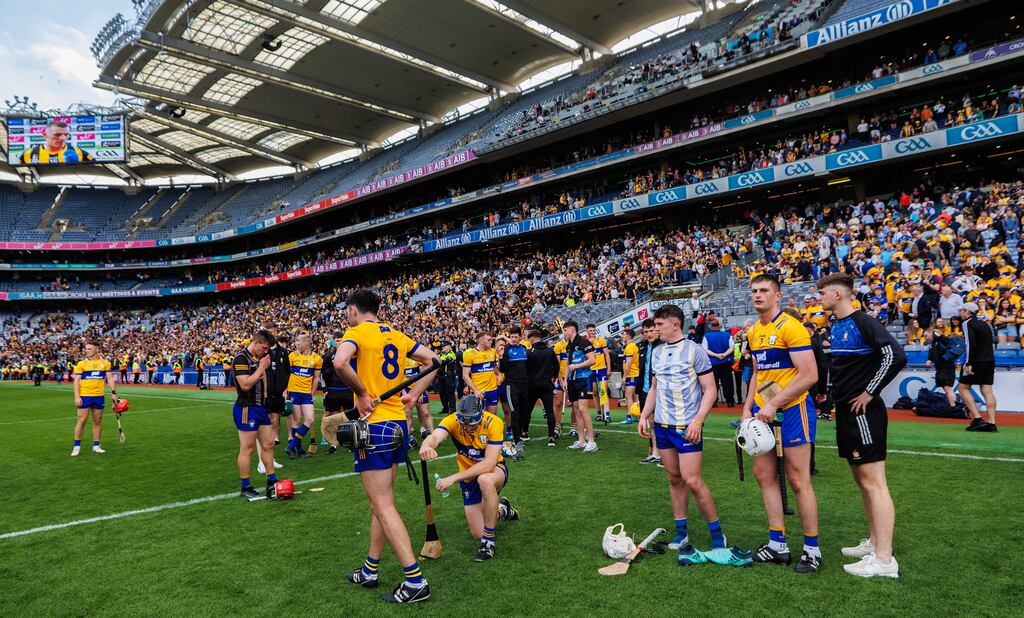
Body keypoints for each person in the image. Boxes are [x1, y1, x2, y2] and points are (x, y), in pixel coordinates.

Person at [334, 289, 439, 604]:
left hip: (374, 428)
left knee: (382, 505)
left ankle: (415, 581)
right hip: (397, 426)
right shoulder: (396, 334)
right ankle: (370, 569)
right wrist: (415, 394)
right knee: (379, 503)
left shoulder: (355, 333)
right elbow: (433, 362)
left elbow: (340, 363)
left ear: (354, 310)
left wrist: (362, 393)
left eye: (346, 311)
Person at [638, 304, 750, 565]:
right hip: (663, 427)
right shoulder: (656, 352)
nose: (656, 330)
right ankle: (681, 533)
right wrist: (645, 415)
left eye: (660, 325)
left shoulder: (695, 350)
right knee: (675, 478)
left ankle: (717, 536)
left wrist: (698, 420)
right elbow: (655, 387)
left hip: (687, 427)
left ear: (675, 325)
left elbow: (709, 389)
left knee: (693, 480)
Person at [816, 274, 906, 577]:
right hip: (846, 412)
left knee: (874, 482)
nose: (819, 298)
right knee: (861, 480)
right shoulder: (837, 326)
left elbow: (896, 355)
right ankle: (875, 543)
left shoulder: (863, 321)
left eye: (822, 293)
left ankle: (884, 560)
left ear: (839, 294)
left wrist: (870, 391)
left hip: (864, 414)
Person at [743, 274, 822, 573]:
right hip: (763, 413)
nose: (758, 295)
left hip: (792, 410)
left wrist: (775, 403)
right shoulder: (753, 332)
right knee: (763, 475)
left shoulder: (792, 327)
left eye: (764, 291)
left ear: (777, 295)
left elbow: (809, 375)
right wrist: (747, 409)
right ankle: (778, 544)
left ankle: (812, 550)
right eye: (754, 291)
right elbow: (758, 373)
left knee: (799, 480)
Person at [419, 395, 519, 562]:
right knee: (478, 532)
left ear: (480, 415)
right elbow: (435, 436)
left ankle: (488, 544)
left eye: (471, 422)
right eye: (463, 422)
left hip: (494, 471)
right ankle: (503, 508)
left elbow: (488, 464)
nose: (466, 426)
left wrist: (452, 478)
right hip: (468, 477)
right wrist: (426, 445)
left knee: (485, 480)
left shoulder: (494, 422)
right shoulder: (452, 420)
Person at [232, 330, 282, 500]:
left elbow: (263, 379)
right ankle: (245, 486)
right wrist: (261, 367)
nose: (266, 351)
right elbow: (245, 385)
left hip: (260, 408)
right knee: (248, 448)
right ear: (256, 342)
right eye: (264, 348)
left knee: (269, 444)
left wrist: (266, 397)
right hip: (246, 408)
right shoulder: (241, 358)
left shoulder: (258, 359)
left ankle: (272, 480)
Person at [71, 341, 119, 456]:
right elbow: (76, 381)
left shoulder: (105, 363)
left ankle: (96, 445)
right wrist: (77, 396)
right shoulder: (81, 364)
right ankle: (76, 446)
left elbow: (110, 379)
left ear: (96, 350)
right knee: (82, 420)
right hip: (84, 396)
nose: (86, 351)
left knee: (97, 421)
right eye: (86, 349)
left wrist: (113, 393)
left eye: (89, 349)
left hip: (98, 396)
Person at [959, 302, 998, 432]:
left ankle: (977, 418)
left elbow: (970, 344)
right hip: (989, 360)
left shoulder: (967, 323)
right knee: (987, 390)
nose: (960, 312)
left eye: (962, 310)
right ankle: (992, 423)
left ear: (967, 312)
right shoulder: (984, 324)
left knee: (963, 387)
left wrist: (969, 363)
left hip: (976, 360)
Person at [285, 334, 322, 459]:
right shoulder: (292, 356)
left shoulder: (317, 358)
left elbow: (316, 378)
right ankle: (299, 450)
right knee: (296, 420)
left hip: (306, 393)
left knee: (310, 419)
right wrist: (286, 391)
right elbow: (286, 374)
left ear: (307, 343)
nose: (297, 345)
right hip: (294, 392)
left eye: (298, 342)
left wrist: (312, 393)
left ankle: (291, 446)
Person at [563, 320, 597, 452]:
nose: (564, 333)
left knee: (583, 409)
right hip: (572, 380)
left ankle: (592, 441)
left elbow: (592, 360)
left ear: (572, 330)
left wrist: (576, 366)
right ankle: (581, 440)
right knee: (576, 408)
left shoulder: (584, 343)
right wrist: (565, 380)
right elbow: (567, 364)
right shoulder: (568, 345)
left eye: (565, 330)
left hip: (584, 378)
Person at [524, 329, 559, 446]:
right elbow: (557, 366)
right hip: (546, 384)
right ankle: (551, 437)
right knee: (549, 411)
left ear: (532, 339)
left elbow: (525, 369)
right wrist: (554, 378)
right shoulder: (550, 351)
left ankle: (525, 433)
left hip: (532, 385)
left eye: (529, 340)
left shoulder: (529, 352)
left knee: (527, 410)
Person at [635, 318, 663, 464]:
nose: (649, 334)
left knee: (662, 422)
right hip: (645, 389)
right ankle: (655, 452)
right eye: (646, 332)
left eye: (651, 330)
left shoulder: (664, 346)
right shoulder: (642, 346)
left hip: (661, 390)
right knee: (651, 422)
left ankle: (664, 453)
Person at [321, 334, 353, 455]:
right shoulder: (328, 356)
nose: (339, 342)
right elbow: (324, 373)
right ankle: (333, 444)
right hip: (334, 390)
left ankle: (350, 442)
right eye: (337, 340)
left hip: (346, 389)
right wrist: (326, 389)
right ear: (333, 342)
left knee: (349, 416)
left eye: (341, 340)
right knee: (334, 417)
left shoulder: (350, 355)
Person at [499, 326, 531, 449]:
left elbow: (528, 367)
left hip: (524, 385)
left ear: (520, 337)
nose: (513, 339)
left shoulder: (524, 348)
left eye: (515, 337)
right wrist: (502, 357)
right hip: (511, 385)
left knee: (524, 412)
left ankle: (521, 435)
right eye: (511, 337)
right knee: (514, 412)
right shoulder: (506, 350)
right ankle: (517, 440)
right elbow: (503, 369)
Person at [19, 120, 94, 164]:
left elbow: (96, 168)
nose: (62, 138)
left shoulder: (78, 152)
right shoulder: (28, 154)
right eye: (57, 135)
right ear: (45, 135)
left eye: (66, 135)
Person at [462, 332, 499, 417]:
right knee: (476, 416)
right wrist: (475, 390)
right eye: (489, 340)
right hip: (478, 391)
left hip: (492, 389)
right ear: (481, 341)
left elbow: (495, 369)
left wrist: (499, 372)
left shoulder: (493, 352)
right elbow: (465, 375)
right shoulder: (469, 353)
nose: (491, 342)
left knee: (492, 416)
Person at [701, 318, 735, 407]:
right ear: (720, 326)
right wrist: (724, 354)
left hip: (712, 362)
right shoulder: (727, 335)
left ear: (711, 327)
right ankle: (730, 401)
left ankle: (714, 401)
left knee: (713, 383)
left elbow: (705, 349)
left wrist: (716, 355)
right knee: (727, 382)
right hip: (725, 361)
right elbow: (732, 347)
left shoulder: (707, 336)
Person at [403, 356, 435, 440]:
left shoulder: (416, 358)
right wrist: (403, 392)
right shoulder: (400, 359)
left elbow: (423, 375)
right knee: (407, 414)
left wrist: (420, 391)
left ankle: (434, 436)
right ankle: (407, 439)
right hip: (406, 389)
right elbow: (399, 379)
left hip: (419, 388)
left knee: (426, 412)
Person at [586, 323, 612, 423]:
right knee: (595, 392)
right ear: (587, 331)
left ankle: (607, 414)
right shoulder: (585, 342)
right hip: (591, 370)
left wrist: (608, 368)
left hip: (602, 369)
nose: (592, 332)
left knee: (603, 391)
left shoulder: (601, 340)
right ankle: (599, 413)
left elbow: (607, 355)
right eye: (590, 331)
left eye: (593, 330)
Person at [925, 330, 958, 407]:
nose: (925, 338)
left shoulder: (942, 341)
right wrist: (929, 360)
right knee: (946, 389)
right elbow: (930, 357)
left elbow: (946, 341)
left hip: (947, 368)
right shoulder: (932, 346)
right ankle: (953, 405)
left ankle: (954, 406)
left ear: (932, 335)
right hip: (940, 369)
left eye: (926, 336)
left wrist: (937, 334)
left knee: (948, 388)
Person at [619, 328, 640, 424]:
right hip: (635, 374)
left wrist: (624, 377)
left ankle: (629, 417)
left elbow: (628, 363)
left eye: (623, 334)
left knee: (628, 395)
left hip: (632, 374)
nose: (622, 336)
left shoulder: (630, 347)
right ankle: (636, 415)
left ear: (628, 335)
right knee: (635, 396)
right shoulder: (633, 345)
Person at [437, 343, 459, 415]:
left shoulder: (452, 354)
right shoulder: (441, 354)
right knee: (442, 394)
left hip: (449, 377)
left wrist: (438, 360)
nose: (442, 348)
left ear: (449, 347)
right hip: (441, 377)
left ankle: (452, 409)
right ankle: (445, 408)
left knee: (450, 393)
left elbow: (444, 362)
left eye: (444, 346)